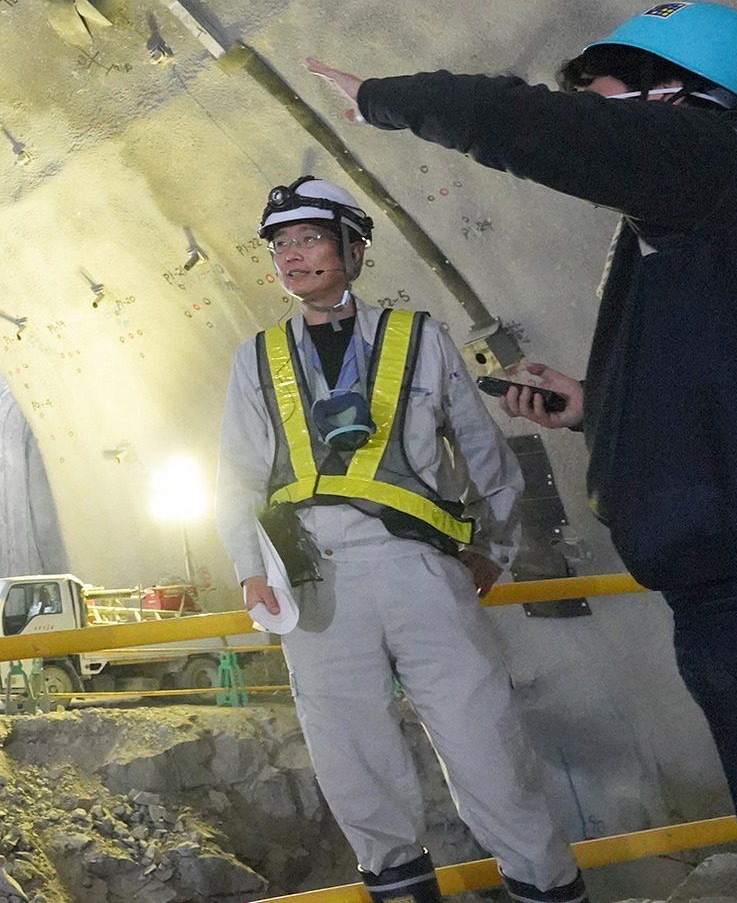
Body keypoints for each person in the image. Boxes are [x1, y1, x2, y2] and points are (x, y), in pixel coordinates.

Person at [307, 1, 737, 903]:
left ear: (673, 90)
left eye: (605, 88)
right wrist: (596, 407)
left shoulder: (711, 155)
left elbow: (537, 127)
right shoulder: (725, 226)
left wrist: (386, 99)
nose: (591, 104)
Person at [217, 177, 587, 903]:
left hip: (421, 569)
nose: (292, 255)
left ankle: (546, 885)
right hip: (315, 582)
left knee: (489, 750)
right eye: (280, 243)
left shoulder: (420, 337)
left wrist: (495, 549)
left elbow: (485, 454)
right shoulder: (254, 357)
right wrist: (246, 566)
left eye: (310, 238)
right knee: (356, 767)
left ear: (354, 249)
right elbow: (235, 473)